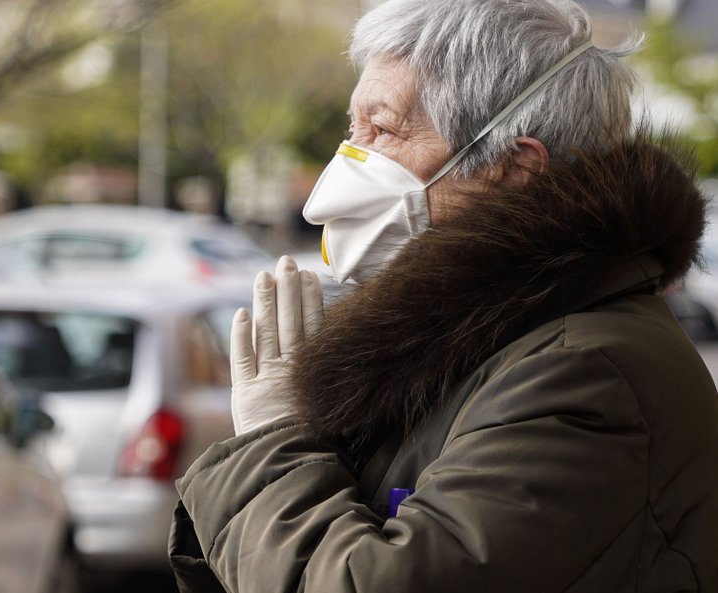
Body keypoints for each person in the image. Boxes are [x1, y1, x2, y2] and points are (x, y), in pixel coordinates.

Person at [169, 0, 718, 591]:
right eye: (352, 129)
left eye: (382, 130)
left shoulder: (585, 376)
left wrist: (268, 449)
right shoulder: (476, 336)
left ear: (515, 169)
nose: (346, 166)